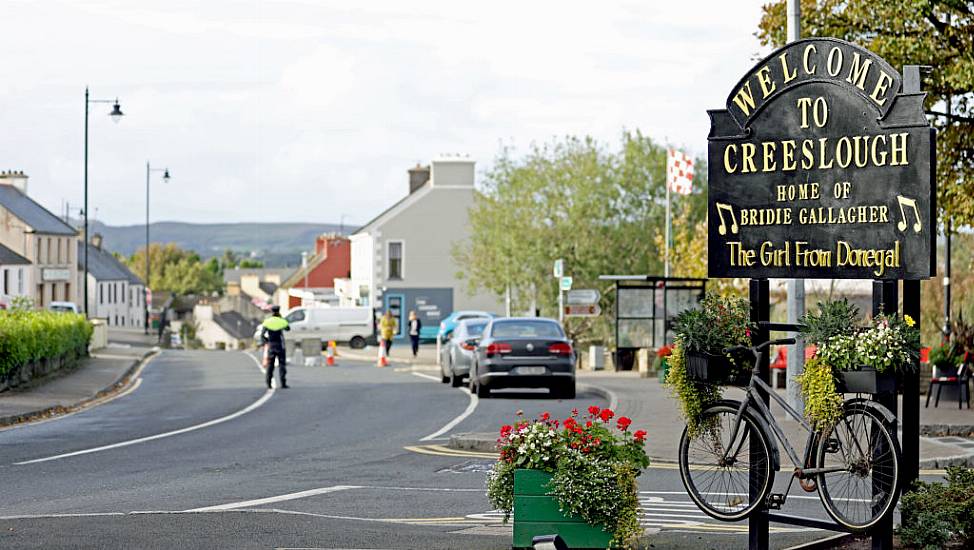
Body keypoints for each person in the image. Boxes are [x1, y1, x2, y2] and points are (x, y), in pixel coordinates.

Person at [260, 305, 290, 389]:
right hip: (280, 345)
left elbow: (262, 334)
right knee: (282, 364)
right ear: (278, 311)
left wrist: (266, 341)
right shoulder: (281, 321)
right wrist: (281, 319)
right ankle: (283, 383)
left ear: (272, 312)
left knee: (270, 365)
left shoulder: (268, 321)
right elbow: (288, 328)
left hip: (271, 345)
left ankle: (268, 383)